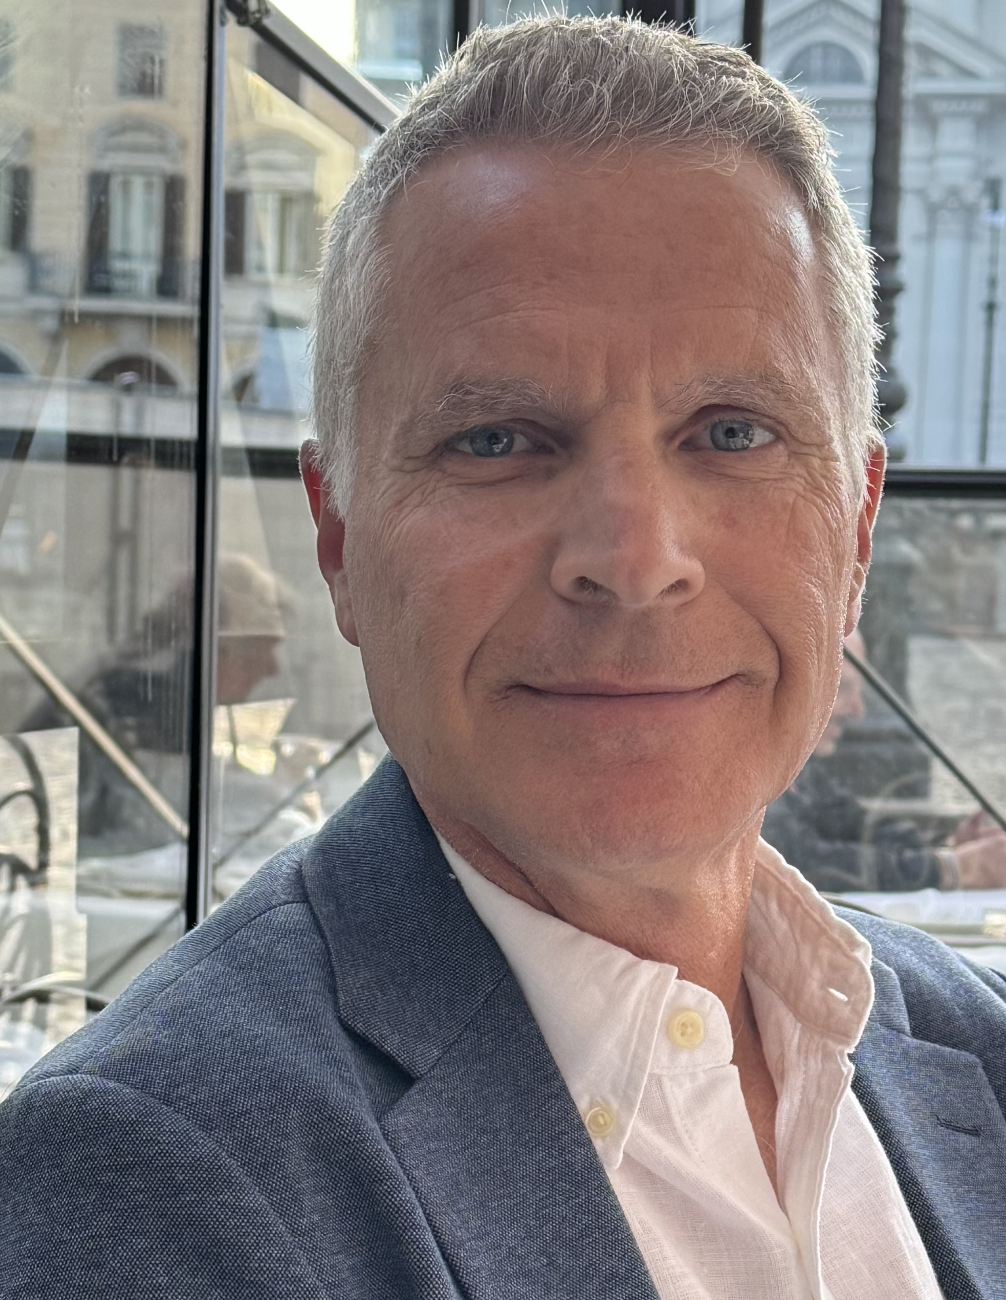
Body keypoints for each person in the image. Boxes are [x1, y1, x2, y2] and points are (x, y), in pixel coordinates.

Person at [2, 18, 1005, 1299]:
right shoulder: (149, 1175)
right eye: (495, 440)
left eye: (733, 430)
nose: (634, 557)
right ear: (339, 536)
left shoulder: (970, 1047)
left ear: (857, 527)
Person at [17, 552, 292, 856]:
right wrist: (272, 795)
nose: (271, 669)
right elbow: (156, 824)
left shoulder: (149, 676)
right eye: (258, 650)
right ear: (216, 647)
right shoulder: (146, 692)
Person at [762, 630, 1006, 891]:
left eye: (859, 691)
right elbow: (799, 862)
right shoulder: (753, 769)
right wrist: (953, 868)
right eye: (842, 688)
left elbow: (855, 823)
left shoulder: (797, 769)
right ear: (786, 681)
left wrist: (942, 847)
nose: (858, 711)